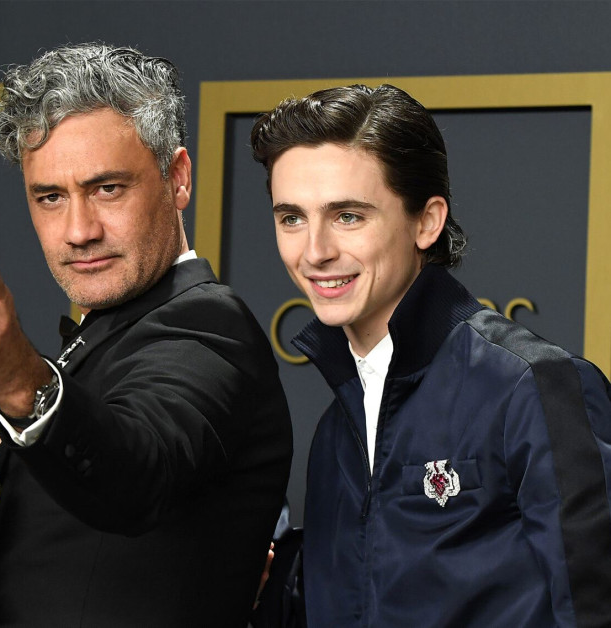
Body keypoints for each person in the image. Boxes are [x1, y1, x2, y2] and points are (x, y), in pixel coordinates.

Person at [0, 43, 293, 627]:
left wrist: (23, 383)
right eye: (50, 197)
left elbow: (135, 471)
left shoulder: (210, 328)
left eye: (107, 189)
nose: (78, 230)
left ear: (177, 179)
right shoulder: (101, 340)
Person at [249, 84, 611, 627]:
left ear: (427, 221)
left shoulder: (533, 386)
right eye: (292, 218)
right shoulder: (333, 436)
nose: (315, 251)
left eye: (347, 215)